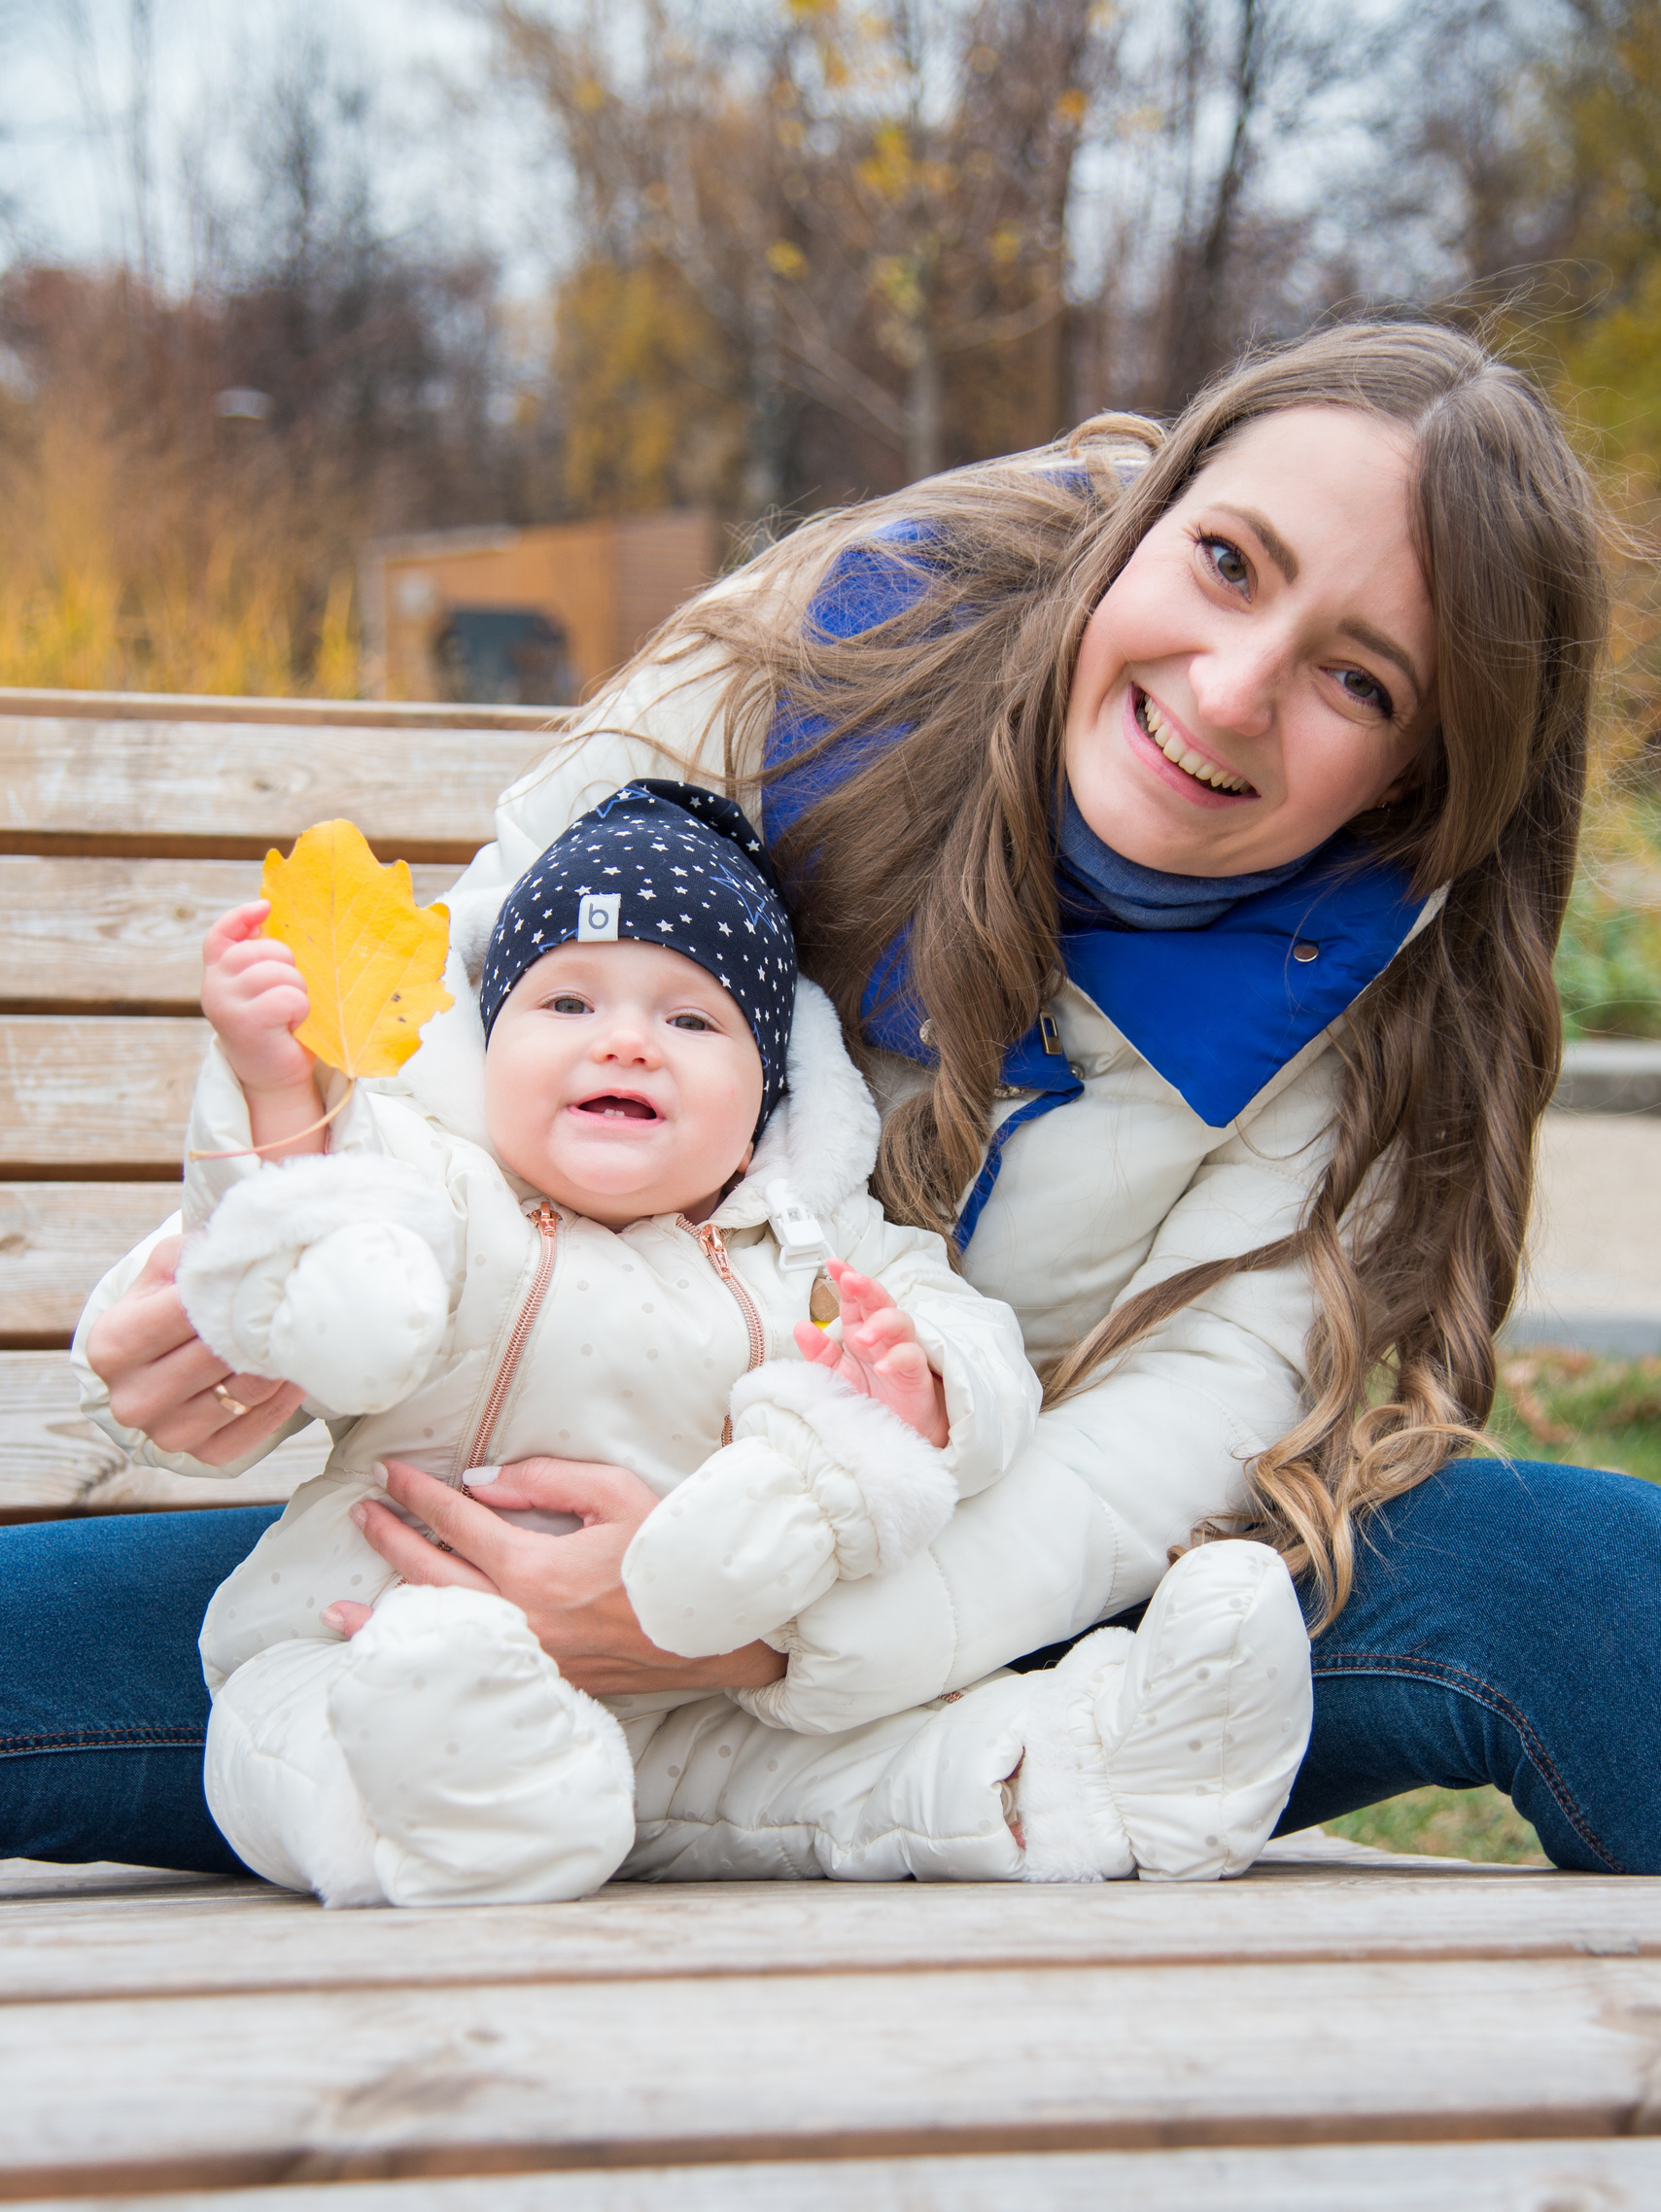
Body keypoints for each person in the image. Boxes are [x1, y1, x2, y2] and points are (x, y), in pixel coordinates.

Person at [16, 317, 1660, 1879]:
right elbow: (466, 1032)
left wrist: (757, 1618)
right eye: (1224, 562)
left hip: (972, 1616)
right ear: (1145, 521)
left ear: (1418, 780)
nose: (1227, 688)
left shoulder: (1375, 999)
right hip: (456, 1550)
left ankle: (1046, 1780)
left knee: (1546, 1577)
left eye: (1356, 680)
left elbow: (1165, 1437)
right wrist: (259, 1277)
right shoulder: (829, 649)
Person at [153, 778, 1310, 1903]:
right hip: (371, 1639)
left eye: (690, 1018)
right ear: (489, 1045)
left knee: (879, 1777)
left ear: (766, 1093)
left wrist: (925, 1395)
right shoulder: (446, 1189)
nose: (624, 1042)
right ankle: (464, 1805)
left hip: (691, 1702)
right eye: (566, 1004)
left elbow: (977, 1344)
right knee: (281, 1737)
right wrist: (270, 1091)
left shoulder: (812, 1246)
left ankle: (1112, 1766)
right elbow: (299, 1241)